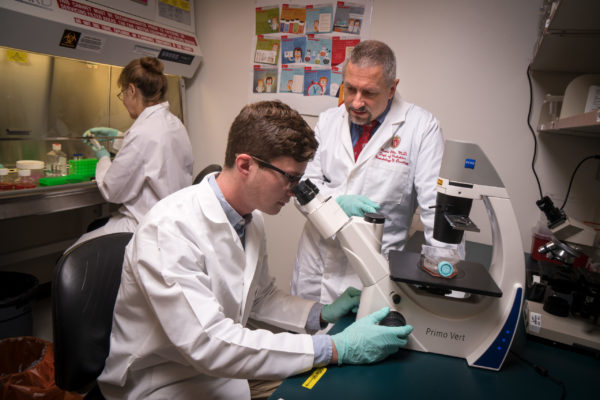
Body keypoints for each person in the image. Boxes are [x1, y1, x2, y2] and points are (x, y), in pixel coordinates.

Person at [97, 101, 413, 400]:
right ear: (246, 164)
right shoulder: (168, 230)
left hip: (223, 371)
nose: (295, 191)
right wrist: (333, 347)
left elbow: (259, 296)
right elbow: (208, 343)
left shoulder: (251, 219)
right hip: (166, 382)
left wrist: (320, 313)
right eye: (291, 178)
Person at [291, 40, 451, 305]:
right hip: (317, 263)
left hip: (372, 268)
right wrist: (337, 202)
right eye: (350, 88)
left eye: (369, 92)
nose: (355, 102)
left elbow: (434, 206)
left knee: (360, 342)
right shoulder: (329, 121)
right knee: (308, 338)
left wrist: (446, 272)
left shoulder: (421, 128)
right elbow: (303, 184)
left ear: (392, 88)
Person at [69, 57, 193, 249]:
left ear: (132, 90)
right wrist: (119, 137)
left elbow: (112, 190)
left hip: (144, 227)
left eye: (123, 93)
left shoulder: (142, 132)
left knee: (72, 255)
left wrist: (102, 158)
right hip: (173, 224)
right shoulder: (174, 124)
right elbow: (150, 154)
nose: (124, 100)